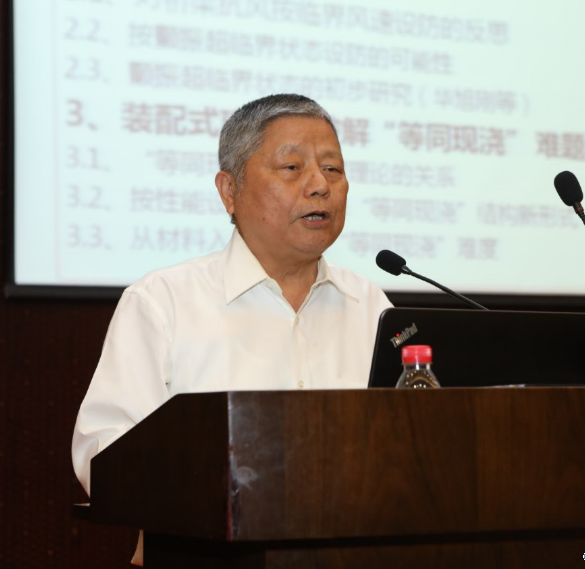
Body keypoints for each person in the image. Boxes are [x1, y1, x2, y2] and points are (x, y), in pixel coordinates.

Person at [72, 93, 392, 500]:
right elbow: (103, 453)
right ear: (229, 191)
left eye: (332, 169)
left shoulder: (370, 305)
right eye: (292, 168)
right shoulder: (163, 302)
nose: (320, 186)